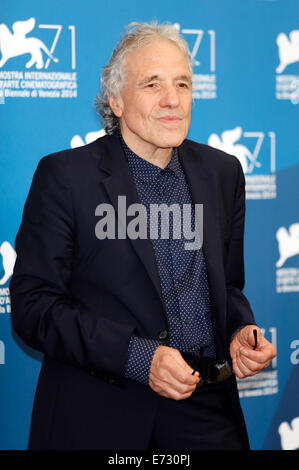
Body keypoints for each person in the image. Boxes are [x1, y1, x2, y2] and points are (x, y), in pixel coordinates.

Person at [9, 21, 276, 450]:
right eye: (152, 84)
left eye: (183, 84)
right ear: (115, 99)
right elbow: (33, 306)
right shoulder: (65, 178)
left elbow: (226, 286)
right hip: (101, 414)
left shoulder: (223, 173)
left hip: (208, 412)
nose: (172, 100)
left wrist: (240, 331)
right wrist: (139, 358)